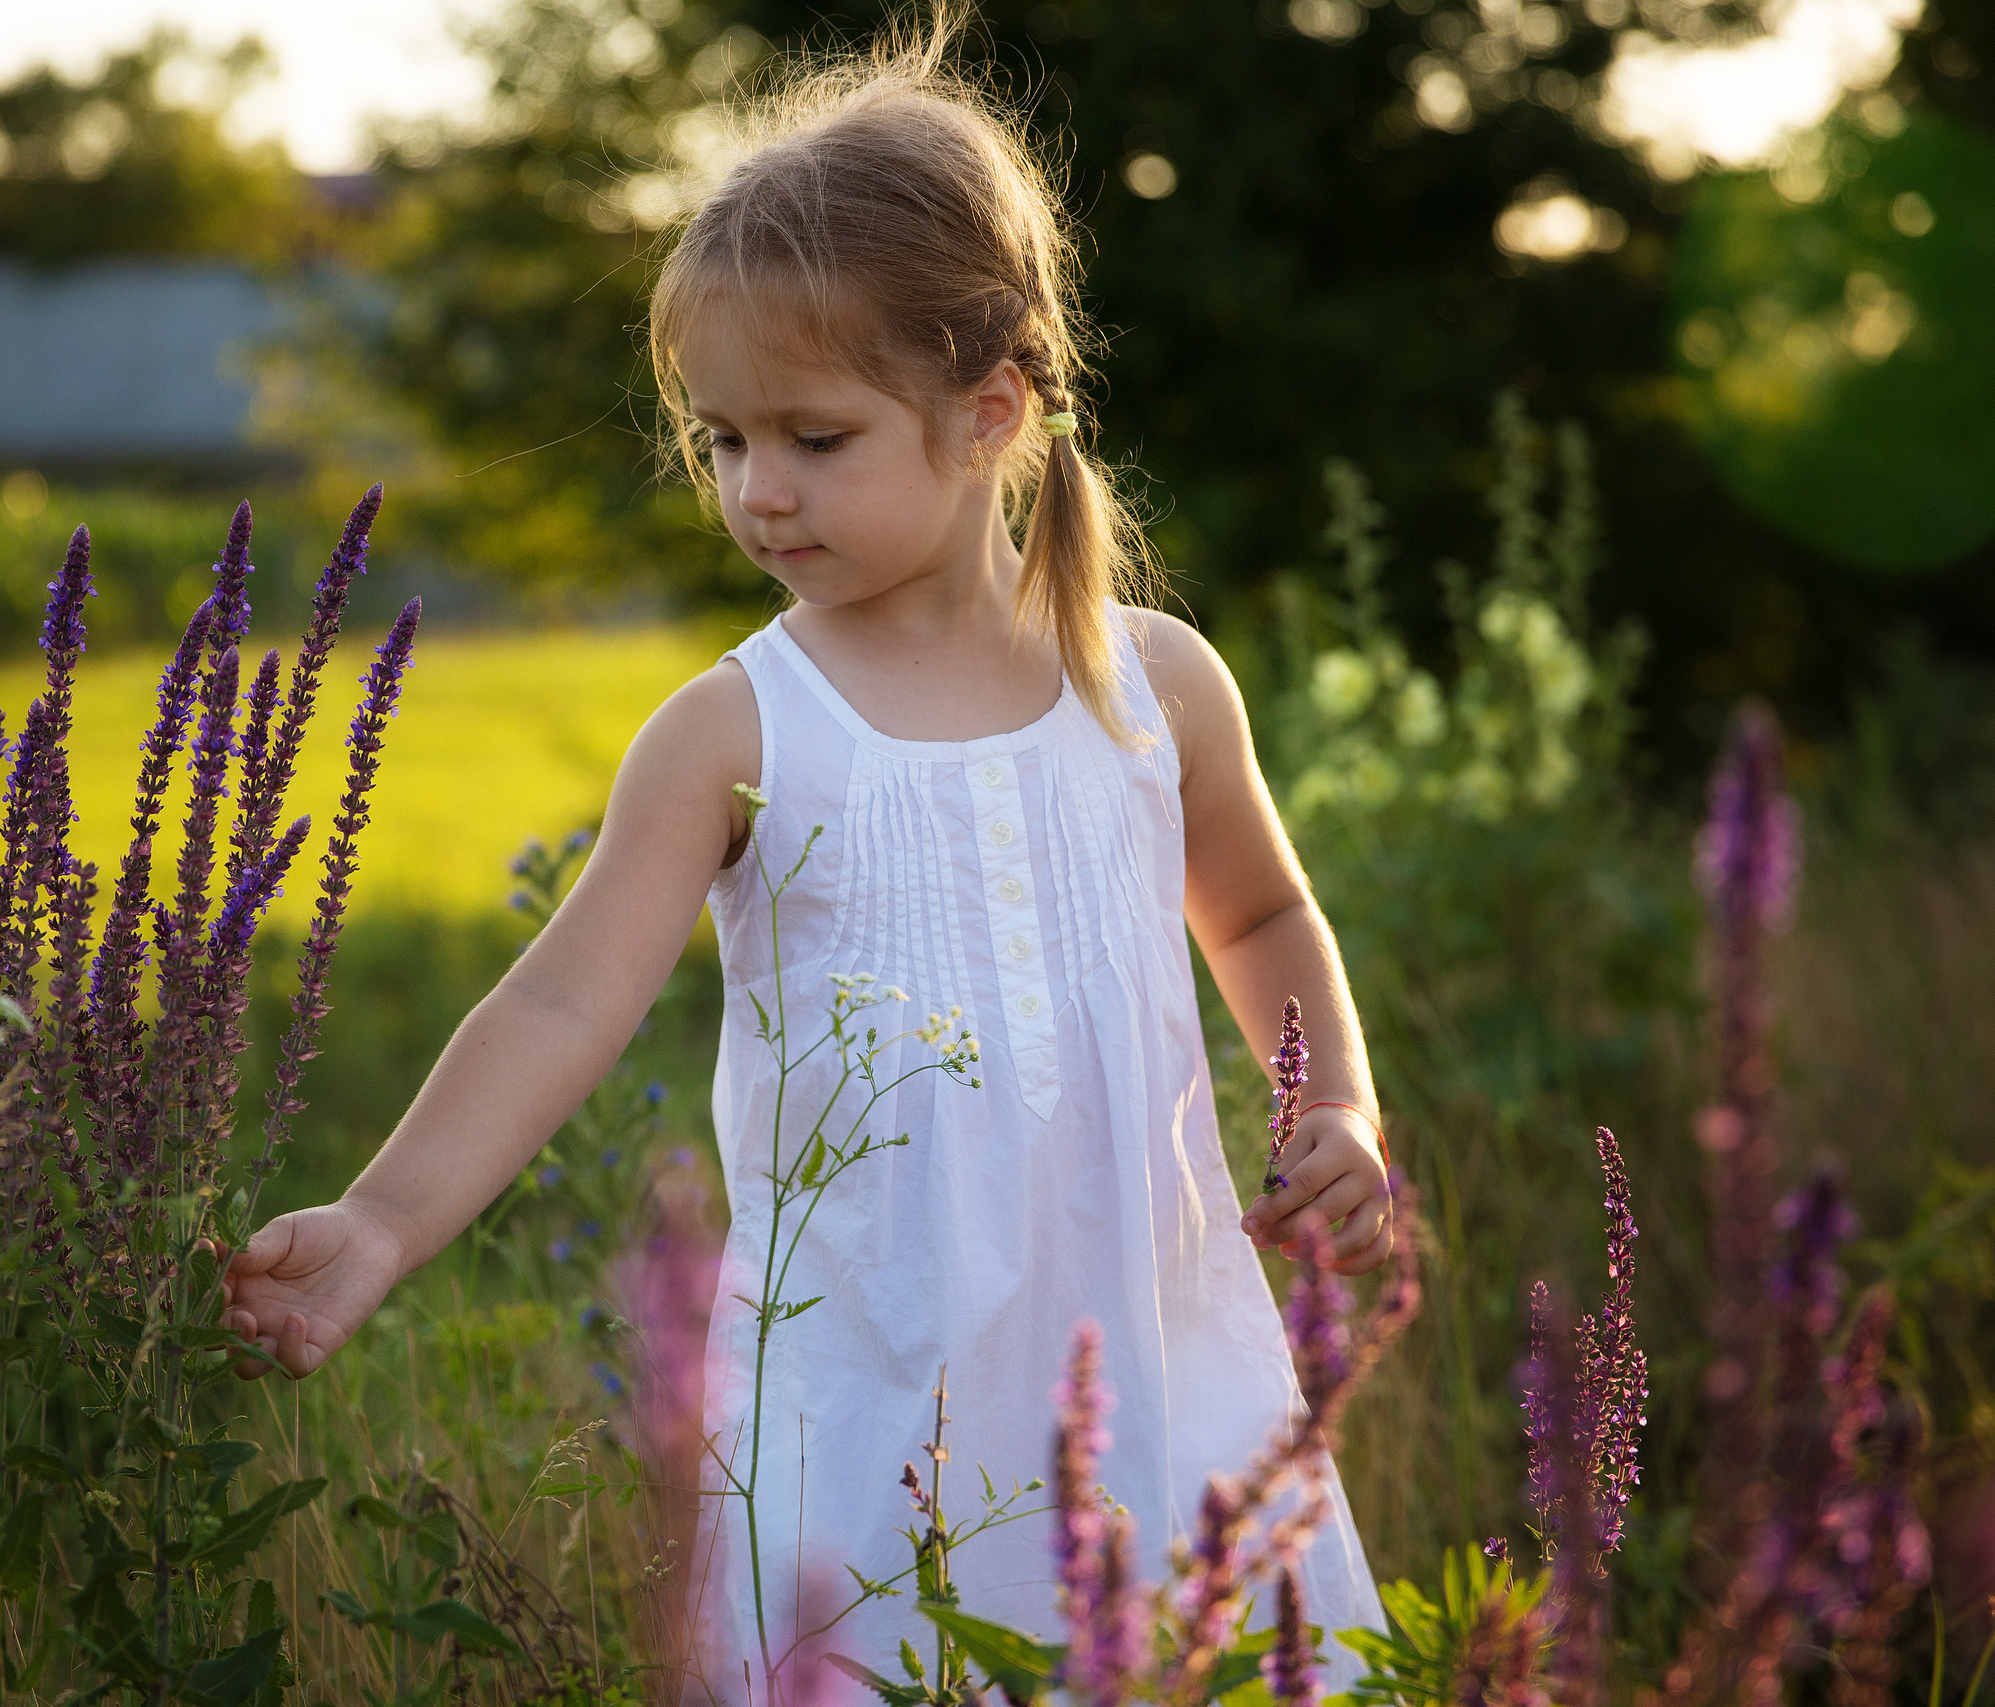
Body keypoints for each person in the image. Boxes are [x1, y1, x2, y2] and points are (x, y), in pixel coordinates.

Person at [222, 7, 1393, 1689]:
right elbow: (561, 1009)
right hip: (868, 1393)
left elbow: (1267, 910)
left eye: (813, 438)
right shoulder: (738, 731)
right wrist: (386, 1226)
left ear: (990, 410)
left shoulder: (1157, 687)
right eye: (722, 438)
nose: (757, 489)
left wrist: (1332, 1097)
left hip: (1155, 1352)